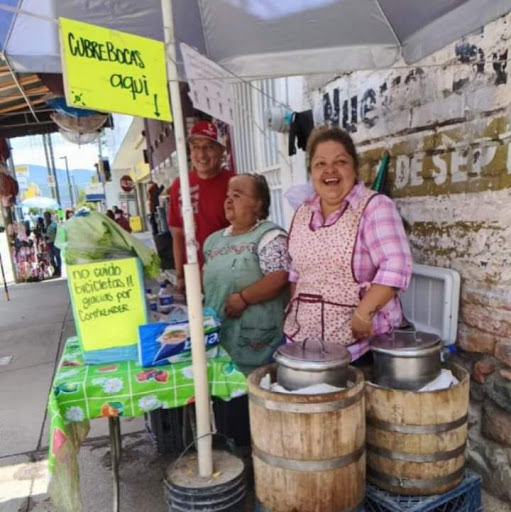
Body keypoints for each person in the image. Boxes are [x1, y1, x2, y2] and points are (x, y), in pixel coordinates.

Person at [284, 126, 412, 361]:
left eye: (340, 161)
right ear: (311, 172)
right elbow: (295, 273)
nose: (329, 170)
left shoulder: (375, 207)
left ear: (354, 168)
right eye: (320, 164)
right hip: (305, 344)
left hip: (361, 345)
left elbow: (396, 266)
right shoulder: (303, 212)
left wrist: (363, 314)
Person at [203, 174, 289, 448]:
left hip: (256, 336)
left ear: (259, 204)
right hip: (221, 334)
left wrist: (243, 297)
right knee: (224, 399)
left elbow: (279, 277)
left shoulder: (270, 236)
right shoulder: (213, 241)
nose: (229, 198)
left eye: (239, 194)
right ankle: (230, 446)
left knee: (250, 399)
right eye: (229, 193)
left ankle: (254, 459)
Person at [168, 121, 234, 294]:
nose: (202, 154)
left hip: (228, 274)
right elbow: (178, 234)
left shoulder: (234, 183)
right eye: (196, 147)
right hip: (193, 275)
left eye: (209, 146)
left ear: (221, 150)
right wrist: (181, 275)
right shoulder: (179, 184)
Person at [44, 211, 61, 277]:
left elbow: (58, 233)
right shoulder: (45, 225)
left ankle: (59, 270)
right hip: (48, 243)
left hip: (55, 242)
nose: (46, 218)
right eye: (45, 216)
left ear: (50, 217)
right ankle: (55, 269)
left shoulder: (54, 224)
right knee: (51, 258)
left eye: (47, 216)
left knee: (57, 256)